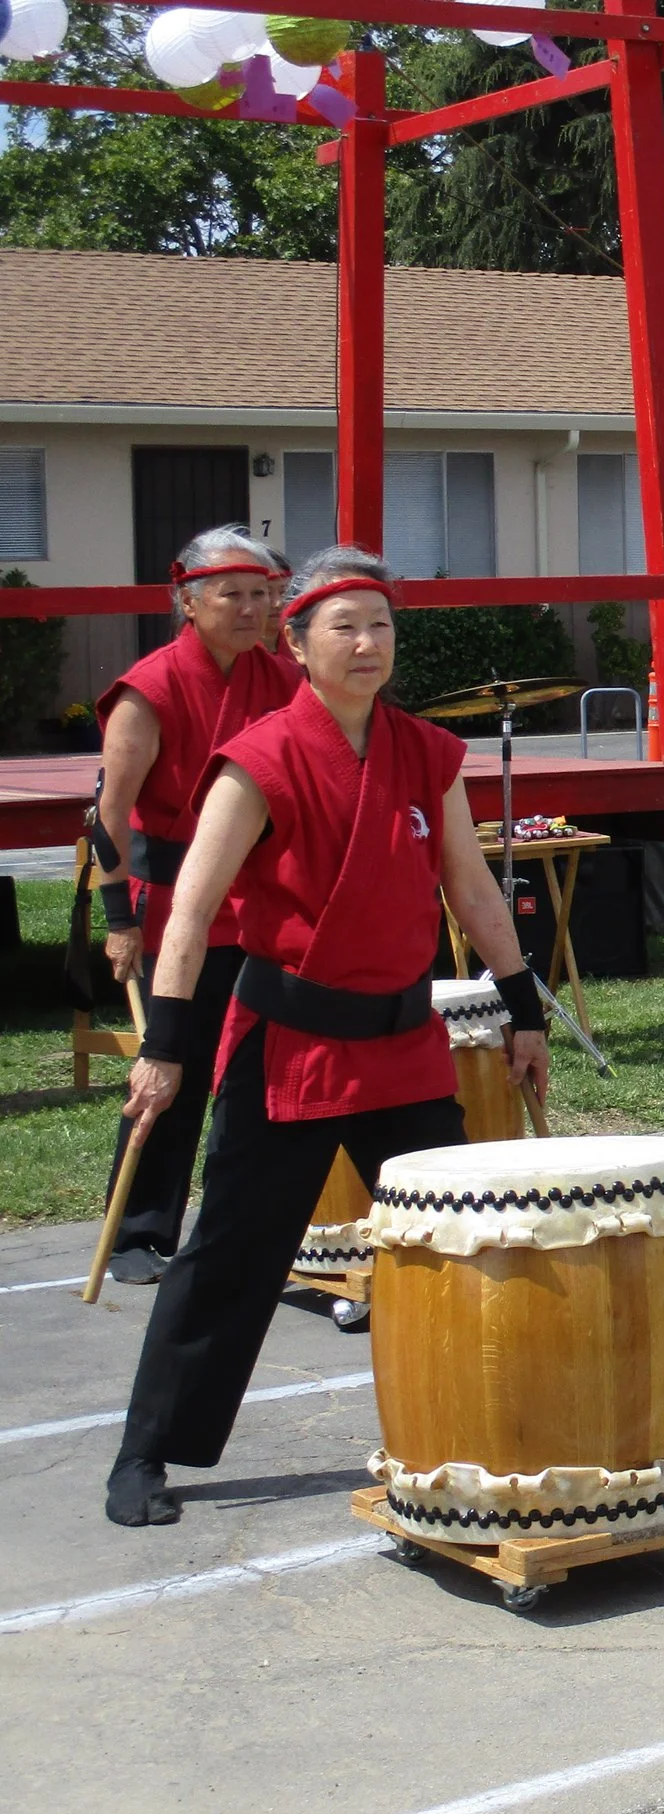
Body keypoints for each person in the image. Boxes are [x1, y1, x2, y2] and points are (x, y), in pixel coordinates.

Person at [105, 545, 550, 1528]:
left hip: (403, 1048)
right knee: (230, 1257)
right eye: (342, 627)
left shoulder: (426, 754)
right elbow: (191, 913)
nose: (366, 644)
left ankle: (481, 1426)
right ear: (295, 643)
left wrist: (522, 1005)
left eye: (381, 625)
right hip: (292, 1052)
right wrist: (165, 1043)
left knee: (461, 1243)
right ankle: (146, 1452)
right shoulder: (257, 760)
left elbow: (472, 889)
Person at [89, 526, 301, 1285]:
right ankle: (139, 1229)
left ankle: (243, 1222)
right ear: (188, 600)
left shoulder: (280, 678)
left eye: (263, 595)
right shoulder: (148, 689)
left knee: (257, 1072)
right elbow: (108, 817)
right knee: (168, 1066)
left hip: (260, 899)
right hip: (172, 903)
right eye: (232, 595)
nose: (253, 610)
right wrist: (118, 923)